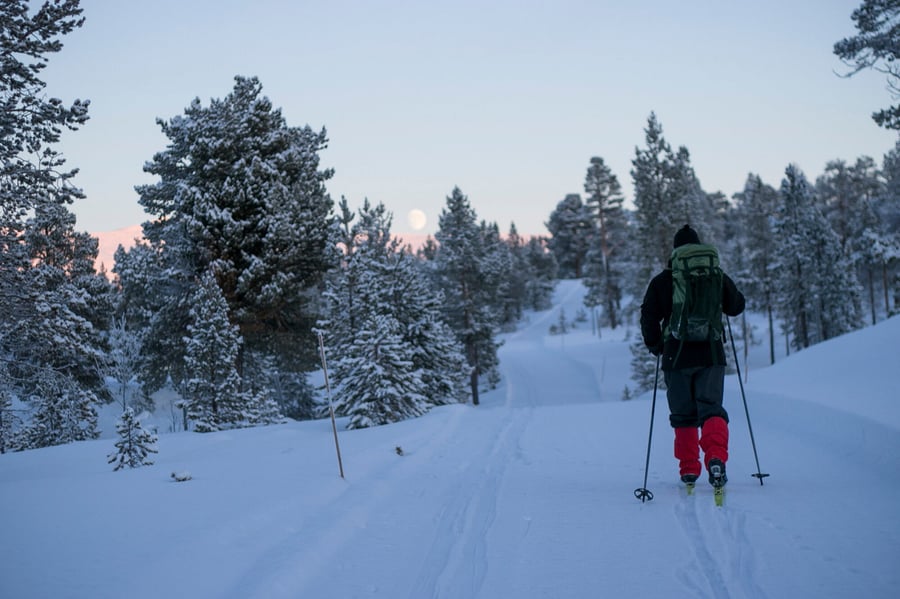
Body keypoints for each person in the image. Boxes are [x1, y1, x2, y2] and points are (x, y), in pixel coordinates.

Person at [640, 225, 745, 488]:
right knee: (711, 409)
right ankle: (716, 458)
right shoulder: (715, 275)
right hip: (711, 355)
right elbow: (737, 306)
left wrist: (656, 346)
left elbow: (648, 316)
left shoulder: (663, 281)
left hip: (676, 356)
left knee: (683, 414)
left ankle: (689, 470)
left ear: (675, 252)